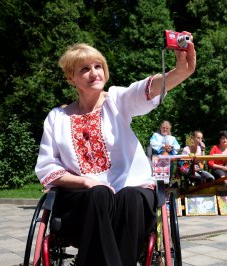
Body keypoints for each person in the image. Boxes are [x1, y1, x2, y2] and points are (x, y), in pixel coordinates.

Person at [35, 39, 195, 266]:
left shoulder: (117, 100)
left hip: (132, 197)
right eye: (84, 68)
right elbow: (47, 166)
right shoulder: (57, 117)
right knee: (99, 193)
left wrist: (179, 71)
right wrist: (86, 182)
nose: (94, 73)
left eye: (97, 66)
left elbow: (144, 90)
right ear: (71, 78)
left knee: (130, 196)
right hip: (81, 201)